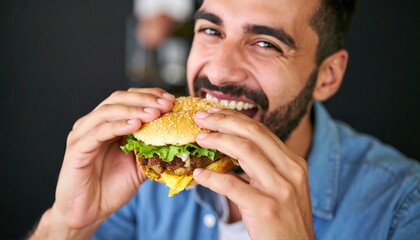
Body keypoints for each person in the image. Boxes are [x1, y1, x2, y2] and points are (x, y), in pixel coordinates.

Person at [29, 0, 420, 239]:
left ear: (327, 76)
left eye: (266, 43)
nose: (218, 72)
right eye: (211, 30)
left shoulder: (404, 207)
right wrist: (67, 225)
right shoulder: (142, 176)